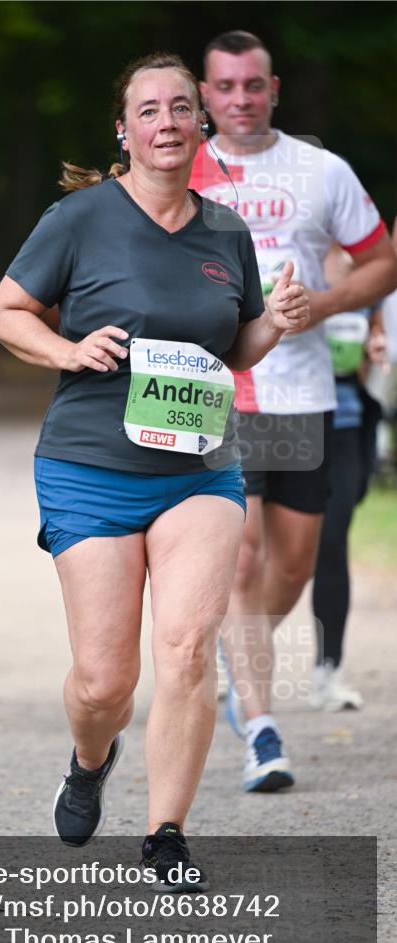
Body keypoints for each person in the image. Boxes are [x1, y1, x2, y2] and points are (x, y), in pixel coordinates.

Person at [0, 52, 309, 889]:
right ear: (123, 131)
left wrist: (274, 321)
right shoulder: (79, 218)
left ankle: (166, 835)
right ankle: (90, 760)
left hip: (199, 467)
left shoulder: (225, 231)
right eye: (149, 109)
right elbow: (5, 312)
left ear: (200, 124)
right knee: (105, 683)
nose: (166, 121)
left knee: (186, 649)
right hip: (89, 465)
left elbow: (235, 344)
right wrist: (66, 349)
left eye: (180, 107)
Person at [191, 31, 397, 790]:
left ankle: (235, 658)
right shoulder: (180, 167)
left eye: (253, 85)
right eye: (224, 87)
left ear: (273, 89)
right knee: (240, 558)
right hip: (213, 389)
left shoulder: (321, 171)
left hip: (301, 392)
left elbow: (382, 262)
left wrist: (327, 304)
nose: (240, 99)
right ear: (204, 95)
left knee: (292, 566)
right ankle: (262, 728)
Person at [311, 245, 386, 710]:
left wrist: (374, 350)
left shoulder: (369, 285)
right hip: (287, 426)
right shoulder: (283, 262)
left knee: (332, 542)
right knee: (264, 554)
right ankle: (232, 659)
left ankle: (328, 670)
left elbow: (374, 354)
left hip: (345, 427)